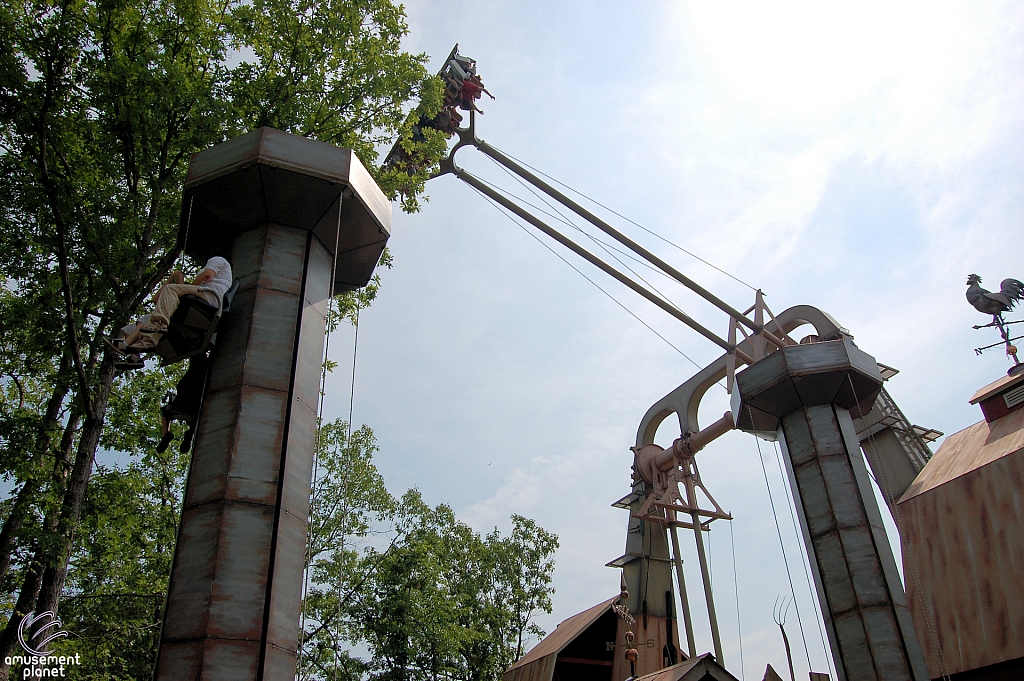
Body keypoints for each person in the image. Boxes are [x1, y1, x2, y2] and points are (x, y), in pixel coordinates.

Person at [129, 251, 232, 351]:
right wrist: (180, 281)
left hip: (210, 295)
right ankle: (133, 344)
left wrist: (189, 285)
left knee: (170, 289)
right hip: (210, 298)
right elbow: (177, 294)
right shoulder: (224, 275)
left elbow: (207, 275)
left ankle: (157, 327)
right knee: (152, 314)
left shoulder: (218, 259)